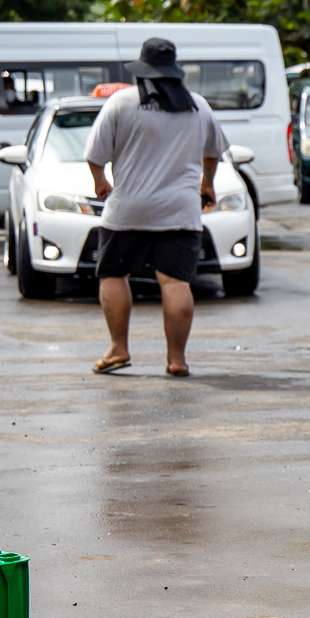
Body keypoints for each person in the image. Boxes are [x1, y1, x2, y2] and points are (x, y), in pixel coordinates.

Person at [83, 37, 228, 378]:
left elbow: (95, 155)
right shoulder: (198, 105)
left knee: (113, 274)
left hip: (128, 210)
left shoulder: (121, 103)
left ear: (142, 70)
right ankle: (177, 360)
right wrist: (207, 183)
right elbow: (214, 151)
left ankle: (118, 349)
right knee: (175, 282)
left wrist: (100, 183)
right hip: (181, 212)